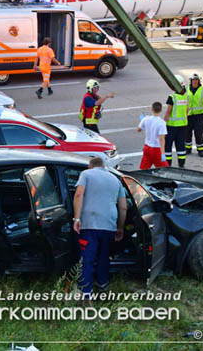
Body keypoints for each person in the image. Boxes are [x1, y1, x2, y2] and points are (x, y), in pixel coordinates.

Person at [73, 157, 127, 296]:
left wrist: (77, 219)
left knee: (87, 258)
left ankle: (86, 291)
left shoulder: (86, 174)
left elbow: (79, 194)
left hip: (90, 223)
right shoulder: (116, 179)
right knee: (104, 256)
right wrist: (120, 228)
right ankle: (102, 283)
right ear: (103, 166)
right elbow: (123, 207)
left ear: (90, 166)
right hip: (109, 224)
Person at [164, 75, 189, 167]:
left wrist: (163, 123)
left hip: (171, 126)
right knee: (181, 146)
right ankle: (181, 164)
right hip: (183, 125)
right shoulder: (186, 97)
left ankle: (168, 164)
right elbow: (187, 111)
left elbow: (168, 112)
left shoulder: (172, 97)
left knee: (168, 146)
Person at [185, 73, 203, 157]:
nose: (195, 81)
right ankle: (188, 149)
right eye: (193, 80)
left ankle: (200, 150)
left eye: (196, 80)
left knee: (198, 133)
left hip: (198, 115)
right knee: (187, 132)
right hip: (188, 115)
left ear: (199, 81)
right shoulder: (186, 89)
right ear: (191, 81)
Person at [138, 102, 168, 169]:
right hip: (156, 149)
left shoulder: (146, 119)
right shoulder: (162, 123)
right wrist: (163, 153)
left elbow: (139, 129)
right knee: (165, 170)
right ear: (160, 110)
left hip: (147, 148)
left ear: (152, 109)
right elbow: (161, 139)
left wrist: (141, 120)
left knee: (144, 169)